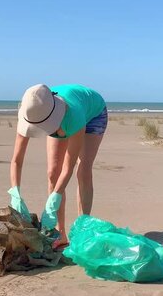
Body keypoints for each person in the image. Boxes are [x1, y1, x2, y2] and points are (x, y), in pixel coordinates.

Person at [9, 84, 107, 249]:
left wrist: (53, 201)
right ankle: (59, 233)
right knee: (53, 172)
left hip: (93, 113)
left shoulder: (73, 116)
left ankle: (82, 231)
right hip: (58, 115)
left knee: (83, 170)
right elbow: (16, 160)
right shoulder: (32, 111)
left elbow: (68, 167)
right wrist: (15, 193)